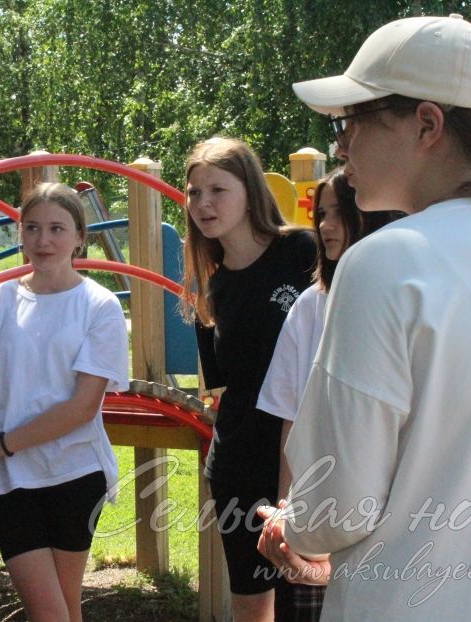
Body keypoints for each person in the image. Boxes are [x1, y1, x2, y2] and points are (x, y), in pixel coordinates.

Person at [258, 14, 471, 621]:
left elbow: (335, 506)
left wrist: (296, 529)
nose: (340, 146)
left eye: (351, 121)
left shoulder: (390, 262)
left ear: (428, 123)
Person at [0, 182, 129, 622]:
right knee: (50, 613)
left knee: (64, 610)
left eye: (56, 228)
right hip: (13, 483)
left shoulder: (99, 306)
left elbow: (82, 407)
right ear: (20, 233)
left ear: (79, 236)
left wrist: (0, 446)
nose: (43, 241)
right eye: (32, 228)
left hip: (76, 473)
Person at [255, 169, 401, 620]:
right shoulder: (309, 308)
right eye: (321, 214)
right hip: (320, 508)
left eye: (341, 213)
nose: (325, 226)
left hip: (391, 511)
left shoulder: (399, 301)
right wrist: (288, 514)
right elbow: (289, 418)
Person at [180, 136, 316, 621]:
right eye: (194, 193)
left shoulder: (301, 251)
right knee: (252, 600)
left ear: (250, 190)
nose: (204, 204)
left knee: (312, 594)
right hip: (238, 464)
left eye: (218, 189)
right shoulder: (210, 286)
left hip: (309, 454)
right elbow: (226, 387)